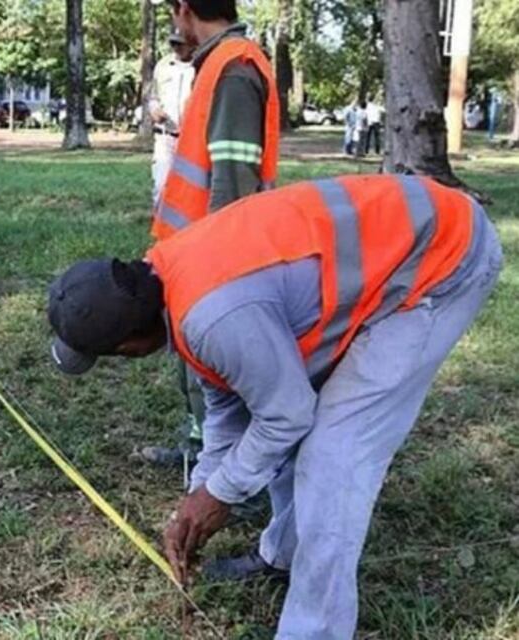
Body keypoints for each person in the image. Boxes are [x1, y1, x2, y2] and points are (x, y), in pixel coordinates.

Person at [46, 174, 501, 639]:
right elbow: (231, 411)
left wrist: (221, 495)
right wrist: (200, 494)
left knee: (334, 455)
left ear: (129, 347)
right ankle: (282, 557)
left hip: (442, 258)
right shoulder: (167, 283)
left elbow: (287, 414)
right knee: (287, 420)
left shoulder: (213, 316)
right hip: (406, 243)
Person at [143, 0, 281, 470]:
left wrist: (215, 269)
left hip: (211, 259)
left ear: (184, 8)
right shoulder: (218, 64)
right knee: (195, 369)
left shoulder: (235, 68)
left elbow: (234, 179)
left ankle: (227, 470)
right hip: (192, 252)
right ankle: (200, 449)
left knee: (216, 374)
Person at [148, 31, 196, 206]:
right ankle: (160, 228)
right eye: (173, 43)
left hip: (191, 139)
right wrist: (154, 109)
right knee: (161, 185)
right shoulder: (163, 65)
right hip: (164, 136)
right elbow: (153, 97)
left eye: (180, 43)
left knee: (189, 189)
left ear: (192, 44)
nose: (176, 48)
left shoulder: (201, 66)